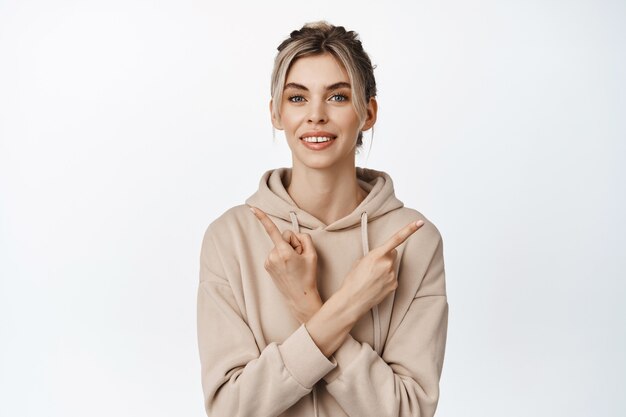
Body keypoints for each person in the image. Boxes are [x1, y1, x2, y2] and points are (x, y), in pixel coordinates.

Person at [197, 20, 448, 417]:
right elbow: (230, 410)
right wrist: (347, 303)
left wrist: (310, 309)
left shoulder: (413, 241)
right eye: (297, 99)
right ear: (276, 113)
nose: (315, 116)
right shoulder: (230, 238)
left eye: (337, 97)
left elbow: (407, 412)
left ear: (368, 112)